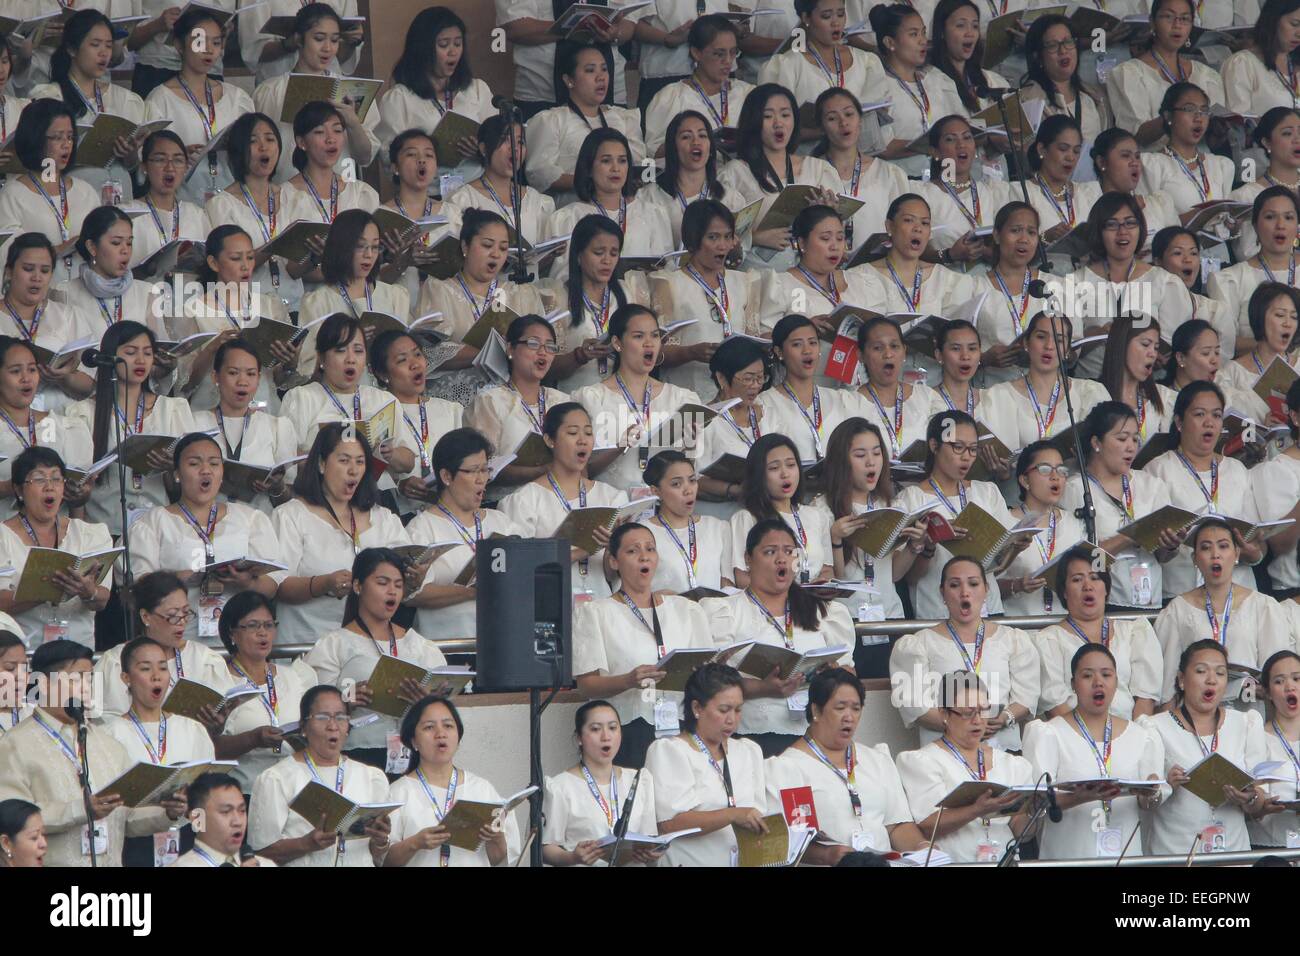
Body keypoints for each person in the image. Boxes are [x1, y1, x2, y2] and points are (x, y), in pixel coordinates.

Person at [0, 640, 186, 867]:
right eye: (76, 678)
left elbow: (127, 818)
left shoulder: (108, 743)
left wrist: (167, 813)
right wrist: (81, 809)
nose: (85, 687)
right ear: (43, 684)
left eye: (89, 678)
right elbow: (10, 820)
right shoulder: (14, 745)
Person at [704, 519, 854, 755]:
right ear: (748, 559)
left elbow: (850, 674)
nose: (781, 559)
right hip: (750, 736)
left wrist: (834, 676)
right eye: (770, 552)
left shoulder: (823, 611)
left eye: (788, 552)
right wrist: (763, 688)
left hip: (813, 736)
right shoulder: (725, 611)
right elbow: (709, 683)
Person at [573, 522, 717, 767]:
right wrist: (627, 680)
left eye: (650, 549)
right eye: (632, 551)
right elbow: (586, 686)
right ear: (614, 561)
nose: (644, 556)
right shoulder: (595, 612)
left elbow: (706, 672)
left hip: (682, 725)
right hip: (630, 730)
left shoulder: (687, 609)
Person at [129, 432, 285, 647]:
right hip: (176, 640)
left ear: (222, 474)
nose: (205, 471)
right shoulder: (154, 522)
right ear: (176, 474)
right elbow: (139, 587)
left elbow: (273, 585)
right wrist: (177, 578)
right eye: (194, 464)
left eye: (214, 464)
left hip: (238, 642)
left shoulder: (250, 518)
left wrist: (247, 582)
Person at [767, 667, 931, 863]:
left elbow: (896, 825)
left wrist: (922, 847)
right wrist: (826, 855)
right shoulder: (789, 768)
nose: (849, 717)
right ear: (816, 710)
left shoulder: (876, 760)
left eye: (856, 708)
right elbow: (795, 840)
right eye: (840, 707)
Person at [305, 548, 448, 773]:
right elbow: (313, 705)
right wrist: (347, 699)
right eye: (382, 583)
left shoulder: (420, 646)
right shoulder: (334, 644)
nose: (391, 591)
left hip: (414, 753)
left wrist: (427, 703)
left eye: (398, 585)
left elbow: (444, 707)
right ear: (358, 586)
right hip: (356, 754)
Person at [1022, 644, 1167, 860]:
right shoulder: (1049, 733)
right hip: (1068, 856)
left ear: (1116, 682)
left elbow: (1149, 805)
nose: (1098, 682)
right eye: (1087, 675)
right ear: (1073, 684)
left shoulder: (1141, 736)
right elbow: (1037, 802)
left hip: (1124, 854)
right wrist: (1080, 797)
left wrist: (1152, 792)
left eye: (1106, 674)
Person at [271, 425, 409, 644]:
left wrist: (415, 576)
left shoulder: (384, 518)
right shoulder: (290, 516)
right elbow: (278, 586)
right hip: (307, 644)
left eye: (360, 462)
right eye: (344, 461)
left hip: (369, 648)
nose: (353, 470)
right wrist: (324, 584)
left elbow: (404, 577)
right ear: (322, 464)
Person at [1138, 640, 1273, 856]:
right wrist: (1165, 786)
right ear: (1182, 679)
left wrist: (1248, 798)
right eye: (1201, 671)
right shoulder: (1154, 727)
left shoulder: (1246, 723)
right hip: (1175, 854)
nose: (1211, 680)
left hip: (1232, 853)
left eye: (1220, 673)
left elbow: (1260, 801)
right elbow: (1145, 803)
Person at [64, 321, 197, 537]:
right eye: (130, 352)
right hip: (103, 530)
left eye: (147, 353)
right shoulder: (82, 413)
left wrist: (174, 467)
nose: (140, 360)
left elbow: (186, 486)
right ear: (110, 356)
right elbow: (77, 486)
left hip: (158, 532)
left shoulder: (173, 408)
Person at [891, 556, 1039, 749]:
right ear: (942, 593)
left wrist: (1005, 717)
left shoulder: (1013, 640)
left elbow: (1027, 697)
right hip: (945, 758)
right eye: (954, 585)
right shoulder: (918, 644)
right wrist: (963, 725)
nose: (964, 592)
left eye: (973, 584)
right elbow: (914, 707)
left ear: (986, 590)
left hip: (1003, 753)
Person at [896, 670, 1038, 863]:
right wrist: (976, 810)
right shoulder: (923, 761)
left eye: (983, 710)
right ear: (944, 713)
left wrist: (1035, 811)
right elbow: (928, 824)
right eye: (968, 712)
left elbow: (1020, 829)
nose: (978, 720)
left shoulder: (1012, 764)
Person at [247, 684, 392, 867]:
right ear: (303, 727)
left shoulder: (372, 777)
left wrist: (380, 841)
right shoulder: (276, 778)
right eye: (323, 717)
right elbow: (259, 855)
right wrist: (305, 844)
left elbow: (378, 857)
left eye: (340, 717)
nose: (333, 726)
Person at [894, 410, 1021, 618]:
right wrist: (930, 543)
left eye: (972, 449)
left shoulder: (987, 492)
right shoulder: (912, 499)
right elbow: (909, 578)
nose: (966, 457)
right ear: (934, 446)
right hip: (937, 612)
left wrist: (1015, 546)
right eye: (958, 447)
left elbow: (998, 569)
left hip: (988, 608)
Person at [1153, 518, 1293, 706]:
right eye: (1205, 547)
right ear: (1195, 559)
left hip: (1248, 713)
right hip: (1193, 717)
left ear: (1236, 554)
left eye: (1223, 546)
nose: (1215, 554)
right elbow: (1168, 689)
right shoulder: (1177, 610)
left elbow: (1278, 673)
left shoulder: (1263, 606)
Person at [1143, 384, 1263, 599]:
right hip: (1183, 594)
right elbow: (1152, 550)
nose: (1209, 422)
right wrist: (1168, 546)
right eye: (1199, 414)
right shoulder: (1157, 470)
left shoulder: (1237, 470)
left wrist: (1254, 555)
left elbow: (1256, 541)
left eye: (1216, 415)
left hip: (1240, 593)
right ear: (1179, 422)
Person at [103, 637, 215, 867]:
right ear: (126, 678)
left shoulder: (192, 728)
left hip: (187, 839)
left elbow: (208, 794)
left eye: (163, 667)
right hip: (134, 844)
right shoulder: (110, 734)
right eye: (145, 668)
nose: (156, 675)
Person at [405, 428, 525, 643]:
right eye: (473, 471)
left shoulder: (502, 522)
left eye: (485, 469)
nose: (482, 479)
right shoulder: (422, 528)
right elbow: (413, 594)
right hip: (447, 647)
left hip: (503, 641)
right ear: (446, 476)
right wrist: (472, 592)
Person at [499, 402, 629, 600]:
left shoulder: (612, 497)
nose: (582, 440)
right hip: (548, 605)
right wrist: (584, 549)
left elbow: (611, 575)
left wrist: (614, 549)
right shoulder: (524, 500)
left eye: (588, 433)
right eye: (572, 433)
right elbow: (518, 566)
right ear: (550, 440)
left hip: (601, 607)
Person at [644, 662, 768, 867]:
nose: (732, 720)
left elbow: (757, 815)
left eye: (738, 710)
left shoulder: (748, 750)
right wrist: (733, 814)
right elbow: (670, 824)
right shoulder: (670, 751)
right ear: (697, 708)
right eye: (724, 709)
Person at [572, 304, 703, 491]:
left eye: (655, 335)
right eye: (639, 336)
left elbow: (694, 472)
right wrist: (618, 448)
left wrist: (690, 448)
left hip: (666, 508)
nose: (649, 343)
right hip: (613, 506)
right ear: (617, 343)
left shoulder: (682, 399)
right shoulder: (591, 398)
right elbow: (579, 470)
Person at [1062, 193, 1192, 380]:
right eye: (1112, 225)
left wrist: (1156, 352)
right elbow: (1066, 353)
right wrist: (1095, 334)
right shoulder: (1075, 282)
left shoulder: (1164, 282)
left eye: (1130, 223)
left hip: (1149, 387)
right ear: (1099, 231)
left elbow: (1177, 346)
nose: (1122, 231)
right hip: (1092, 386)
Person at [1062, 402, 1178, 610]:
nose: (1131, 447)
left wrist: (1170, 545)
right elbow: (1076, 560)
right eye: (1122, 438)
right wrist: (1129, 536)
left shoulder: (1151, 484)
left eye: (1135, 439)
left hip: (1151, 599)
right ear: (1097, 442)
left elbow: (1164, 557)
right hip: (1104, 601)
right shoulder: (1075, 489)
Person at [383, 694, 520, 867]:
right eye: (429, 727)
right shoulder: (398, 792)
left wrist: (496, 838)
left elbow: (501, 860)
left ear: (458, 737)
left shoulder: (482, 789)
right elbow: (383, 861)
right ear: (413, 741)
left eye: (448, 726)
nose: (441, 734)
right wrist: (415, 843)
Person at [414, 210, 546, 389]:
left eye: (503, 248)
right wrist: (490, 353)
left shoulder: (522, 295)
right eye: (487, 245)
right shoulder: (439, 289)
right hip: (455, 399)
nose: (496, 254)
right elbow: (429, 351)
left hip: (509, 400)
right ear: (465, 247)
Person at [819, 418, 926, 636]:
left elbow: (893, 574)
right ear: (841, 461)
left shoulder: (892, 505)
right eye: (860, 455)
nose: (871, 462)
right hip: (847, 620)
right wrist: (836, 540)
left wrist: (914, 546)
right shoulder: (822, 509)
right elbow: (836, 580)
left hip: (890, 614)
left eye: (877, 453)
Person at [717, 83, 842, 270]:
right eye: (768, 116)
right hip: (758, 273)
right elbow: (718, 234)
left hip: (811, 274)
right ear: (754, 122)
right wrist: (756, 237)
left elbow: (840, 233)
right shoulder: (735, 173)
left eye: (785, 115)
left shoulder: (818, 168)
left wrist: (829, 213)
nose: (778, 123)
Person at [256, 4, 381, 185]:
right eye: (319, 38)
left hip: (342, 190)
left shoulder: (352, 90)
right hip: (287, 191)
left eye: (335, 40)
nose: (328, 48)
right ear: (299, 39)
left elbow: (364, 157)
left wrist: (352, 122)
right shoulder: (270, 91)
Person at [1035, 545, 1162, 721]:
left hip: (1129, 736)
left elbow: (1145, 699)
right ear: (1064, 591)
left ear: (1107, 588)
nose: (1087, 586)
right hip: (1072, 740)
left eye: (1095, 578)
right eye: (1077, 579)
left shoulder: (1135, 631)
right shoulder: (1048, 640)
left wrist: (1131, 740)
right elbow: (1055, 705)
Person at [0, 447, 111, 648]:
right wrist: (46, 589)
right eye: (39, 479)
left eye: (56, 479)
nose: (49, 487)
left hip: (78, 655)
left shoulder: (90, 534)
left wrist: (89, 591)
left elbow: (102, 600)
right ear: (18, 490)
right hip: (23, 657)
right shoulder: (2, 536)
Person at [30, 9, 145, 200]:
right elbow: (38, 161)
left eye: (108, 46)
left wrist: (131, 156)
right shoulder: (49, 96)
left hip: (120, 197)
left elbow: (137, 169)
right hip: (73, 199)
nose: (103, 53)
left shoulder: (127, 100)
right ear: (72, 49)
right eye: (95, 45)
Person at [205, 111, 313, 316]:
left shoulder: (295, 198)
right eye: (253, 141)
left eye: (270, 139)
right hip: (249, 310)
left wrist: (314, 257)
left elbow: (292, 270)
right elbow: (229, 265)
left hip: (295, 306)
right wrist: (276, 245)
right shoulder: (221, 205)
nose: (264, 146)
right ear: (238, 150)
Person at [652, 199, 762, 399]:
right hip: (687, 396)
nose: (722, 245)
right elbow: (655, 352)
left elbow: (754, 339)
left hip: (736, 399)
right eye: (713, 237)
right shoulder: (668, 283)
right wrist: (691, 353)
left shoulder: (745, 282)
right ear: (693, 240)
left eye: (728, 237)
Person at [142, 6, 253, 204]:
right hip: (183, 200)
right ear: (179, 45)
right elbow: (148, 160)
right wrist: (179, 154)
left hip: (232, 199)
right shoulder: (160, 99)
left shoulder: (237, 97)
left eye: (216, 42)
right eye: (199, 41)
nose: (208, 49)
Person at [755, 205, 875, 385]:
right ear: (802, 243)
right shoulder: (784, 284)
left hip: (855, 388)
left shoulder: (859, 281)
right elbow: (762, 342)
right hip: (803, 390)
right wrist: (804, 330)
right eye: (825, 238)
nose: (835, 246)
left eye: (840, 238)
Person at [215, 592, 317, 797]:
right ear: (232, 633)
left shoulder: (296, 677)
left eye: (269, 625)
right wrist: (253, 739)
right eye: (253, 626)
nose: (263, 633)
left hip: (295, 791)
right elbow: (209, 747)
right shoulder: (217, 681)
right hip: (242, 792)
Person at [94, 572, 234, 718]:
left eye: (186, 613)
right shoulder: (115, 661)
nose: (181, 622)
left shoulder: (204, 659)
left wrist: (216, 726)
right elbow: (104, 723)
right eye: (172, 616)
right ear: (146, 616)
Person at [296, 210, 412, 382]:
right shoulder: (317, 302)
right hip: (337, 397)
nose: (369, 254)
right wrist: (347, 344)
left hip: (387, 396)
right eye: (360, 246)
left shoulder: (395, 296)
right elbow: (306, 369)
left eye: (375, 247)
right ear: (341, 247)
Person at [542, 700, 662, 866]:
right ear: (579, 738)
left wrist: (648, 852)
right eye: (596, 729)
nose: (606, 737)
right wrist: (573, 857)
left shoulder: (639, 780)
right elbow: (545, 848)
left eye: (613, 728)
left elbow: (648, 838)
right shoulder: (560, 787)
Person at [191, 336, 301, 514]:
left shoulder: (277, 428)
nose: (242, 381)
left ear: (258, 380)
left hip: (259, 531)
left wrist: (276, 487)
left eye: (250, 374)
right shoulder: (194, 423)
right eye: (233, 373)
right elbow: (176, 489)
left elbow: (288, 505)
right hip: (207, 526)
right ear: (215, 377)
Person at [278, 314, 410, 461]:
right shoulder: (301, 397)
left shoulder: (385, 400)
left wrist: (390, 454)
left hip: (375, 483)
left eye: (358, 351)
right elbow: (285, 456)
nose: (351, 359)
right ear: (321, 358)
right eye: (340, 350)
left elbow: (408, 461)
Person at [541, 214, 649, 394]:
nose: (607, 260)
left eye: (614, 253)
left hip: (623, 399)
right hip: (574, 404)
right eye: (598, 253)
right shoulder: (555, 297)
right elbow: (544, 366)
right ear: (578, 255)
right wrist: (579, 356)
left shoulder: (629, 292)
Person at [525, 44, 646, 202]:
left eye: (604, 69)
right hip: (572, 211)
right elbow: (539, 174)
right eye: (590, 70)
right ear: (569, 80)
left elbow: (639, 164)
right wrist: (592, 181)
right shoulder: (551, 120)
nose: (600, 77)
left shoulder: (624, 118)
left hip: (622, 209)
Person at [0, 99, 102, 286]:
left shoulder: (85, 191)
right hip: (36, 295)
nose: (66, 145)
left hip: (84, 294)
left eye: (70, 137)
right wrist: (59, 249)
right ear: (36, 139)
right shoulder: (12, 195)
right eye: (57, 137)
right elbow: (8, 257)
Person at [541, 128, 668, 277]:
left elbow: (665, 272)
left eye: (622, 160)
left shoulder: (652, 214)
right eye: (606, 161)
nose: (616, 168)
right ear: (588, 168)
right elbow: (561, 280)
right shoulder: (565, 218)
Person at [980, 310, 1108, 454]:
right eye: (1041, 337)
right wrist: (1002, 474)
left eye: (1059, 340)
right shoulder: (999, 396)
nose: (1049, 346)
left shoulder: (1090, 392)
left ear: (1067, 350)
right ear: (1026, 343)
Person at [463, 315, 568, 489]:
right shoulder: (491, 401)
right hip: (507, 503)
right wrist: (543, 470)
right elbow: (483, 467)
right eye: (533, 344)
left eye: (550, 346)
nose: (543, 352)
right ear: (510, 349)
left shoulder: (562, 401)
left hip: (558, 500)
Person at [369, 329, 463, 515]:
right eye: (402, 360)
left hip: (446, 515)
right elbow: (372, 469)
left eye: (417, 354)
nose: (414, 364)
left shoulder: (450, 410)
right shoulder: (378, 411)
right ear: (382, 373)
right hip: (399, 516)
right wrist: (399, 484)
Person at [1105, 0, 1225, 145]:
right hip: (1153, 162)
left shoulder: (1208, 75)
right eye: (1168, 16)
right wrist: (1172, 115)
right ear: (1152, 22)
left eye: (1185, 18)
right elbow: (1135, 136)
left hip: (1200, 161)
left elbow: (1214, 140)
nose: (1177, 25)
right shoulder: (1127, 73)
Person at [865, 3, 964, 177]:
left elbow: (963, 125)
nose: (923, 40)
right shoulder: (877, 86)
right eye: (913, 34)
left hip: (946, 177)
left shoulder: (938, 79)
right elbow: (881, 147)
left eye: (924, 32)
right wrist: (932, 145)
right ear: (890, 42)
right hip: (903, 179)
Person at [0, 235, 94, 415]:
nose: (37, 277)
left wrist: (63, 377)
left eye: (45, 271)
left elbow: (90, 386)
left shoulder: (68, 315)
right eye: (28, 269)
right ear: (10, 271)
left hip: (59, 420)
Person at [0, 336, 93, 519]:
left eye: (32, 369)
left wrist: (80, 495)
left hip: (55, 538)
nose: (26, 378)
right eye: (15, 371)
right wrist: (13, 486)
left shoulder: (67, 427)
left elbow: (78, 509)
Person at [855, 194, 979, 329]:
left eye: (925, 223)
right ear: (889, 226)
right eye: (908, 220)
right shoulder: (861, 277)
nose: (918, 228)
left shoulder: (946, 280)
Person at [441, 116, 554, 260]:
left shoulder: (536, 200)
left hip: (530, 282)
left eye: (520, 142)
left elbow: (539, 262)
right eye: (505, 140)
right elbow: (454, 256)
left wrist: (551, 253)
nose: (514, 148)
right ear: (483, 148)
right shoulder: (463, 199)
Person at [728, 435, 834, 586]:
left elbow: (827, 570)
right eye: (774, 468)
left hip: (813, 603)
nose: (785, 474)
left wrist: (818, 586)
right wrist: (792, 594)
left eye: (791, 465)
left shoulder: (816, 515)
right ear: (759, 476)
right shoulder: (747, 519)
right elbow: (742, 578)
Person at [812, 86, 908, 252]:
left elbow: (903, 229)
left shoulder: (890, 174)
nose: (843, 123)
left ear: (860, 120)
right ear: (821, 127)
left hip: (876, 270)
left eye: (849, 114)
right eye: (832, 118)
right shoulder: (811, 171)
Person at [644, 16, 754, 159]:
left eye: (733, 52)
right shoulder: (671, 97)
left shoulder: (748, 93)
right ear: (696, 53)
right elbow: (654, 154)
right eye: (718, 54)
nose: (728, 61)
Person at [997, 441, 1087, 616]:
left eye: (1061, 470)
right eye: (1045, 470)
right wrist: (1018, 585)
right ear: (1024, 480)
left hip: (1064, 627)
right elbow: (985, 584)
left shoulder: (1075, 523)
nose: (1055, 476)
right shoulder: (1005, 521)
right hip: (1019, 628)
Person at [760, 314, 866, 462]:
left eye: (813, 343)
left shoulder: (840, 399)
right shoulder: (764, 404)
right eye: (797, 344)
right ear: (779, 352)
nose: (807, 351)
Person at [1207, 187, 1300, 351]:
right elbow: (1224, 343)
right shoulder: (1229, 279)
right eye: (1270, 217)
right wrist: (1277, 347)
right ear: (1255, 226)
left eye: (1288, 217)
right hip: (1257, 372)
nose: (1280, 225)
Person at [61, 206, 167, 345]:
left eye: (129, 243)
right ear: (92, 247)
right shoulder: (65, 293)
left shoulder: (147, 292)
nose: (125, 250)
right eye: (116, 243)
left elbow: (159, 350)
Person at [917, 115, 1015, 260]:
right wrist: (950, 255)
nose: (961, 144)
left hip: (986, 279)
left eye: (967, 137)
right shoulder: (922, 194)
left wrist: (990, 252)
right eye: (950, 139)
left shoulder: (992, 192)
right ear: (935, 152)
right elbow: (911, 247)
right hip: (943, 279)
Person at [973, 202, 1047, 387]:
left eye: (1031, 232)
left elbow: (1072, 353)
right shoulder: (972, 286)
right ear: (997, 236)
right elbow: (954, 348)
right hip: (991, 392)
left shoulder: (1055, 286)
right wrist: (983, 359)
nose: (1024, 239)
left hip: (1044, 391)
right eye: (1015, 231)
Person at [758, 0, 880, 111]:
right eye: (826, 16)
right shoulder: (786, 66)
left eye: (841, 14)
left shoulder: (867, 62)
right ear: (806, 18)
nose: (836, 22)